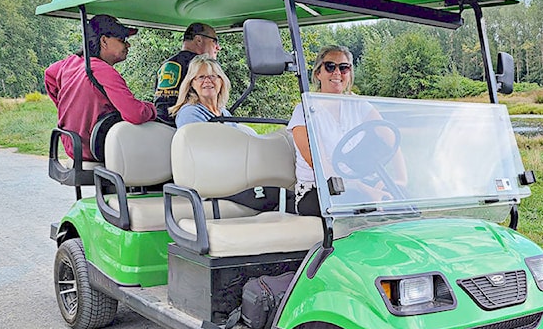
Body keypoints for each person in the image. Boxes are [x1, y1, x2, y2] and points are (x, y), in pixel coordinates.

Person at [287, 45, 405, 216]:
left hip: (360, 183)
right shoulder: (304, 111)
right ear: (318, 73)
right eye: (330, 66)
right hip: (319, 188)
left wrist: (400, 180)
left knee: (403, 199)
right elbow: (322, 167)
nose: (337, 73)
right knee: (362, 202)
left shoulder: (359, 105)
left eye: (344, 68)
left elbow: (390, 139)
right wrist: (365, 190)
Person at [171, 55, 288, 212]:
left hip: (233, 177)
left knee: (286, 192)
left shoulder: (224, 113)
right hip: (213, 182)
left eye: (213, 76)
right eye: (201, 77)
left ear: (221, 81)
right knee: (275, 197)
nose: (208, 81)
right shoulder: (190, 113)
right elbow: (204, 154)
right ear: (192, 83)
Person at [44, 14, 156, 162]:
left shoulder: (70, 63)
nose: (127, 45)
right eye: (122, 40)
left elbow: (49, 75)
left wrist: (67, 107)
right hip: (95, 149)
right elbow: (135, 114)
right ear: (104, 41)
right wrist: (153, 109)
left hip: (73, 145)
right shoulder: (103, 71)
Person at [154, 23, 221, 125]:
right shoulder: (202, 66)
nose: (218, 47)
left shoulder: (166, 65)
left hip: (160, 123)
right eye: (215, 41)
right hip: (189, 125)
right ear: (198, 40)